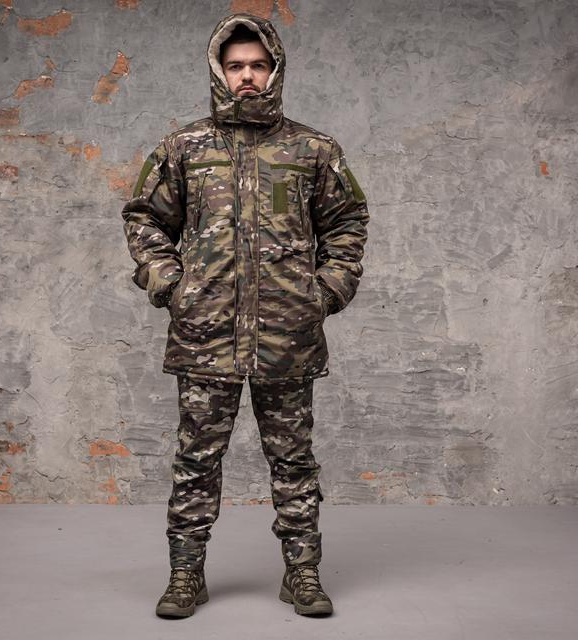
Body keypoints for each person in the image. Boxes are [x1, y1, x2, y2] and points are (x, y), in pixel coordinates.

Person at [120, 12, 369, 618]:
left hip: (289, 336)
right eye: (236, 66)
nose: (247, 76)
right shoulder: (184, 148)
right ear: (219, 72)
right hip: (205, 336)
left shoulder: (313, 150)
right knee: (196, 461)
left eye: (258, 65)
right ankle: (185, 575)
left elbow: (347, 224)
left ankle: (303, 574)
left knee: (294, 460)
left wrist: (324, 294)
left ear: (275, 70)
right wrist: (172, 286)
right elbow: (144, 218)